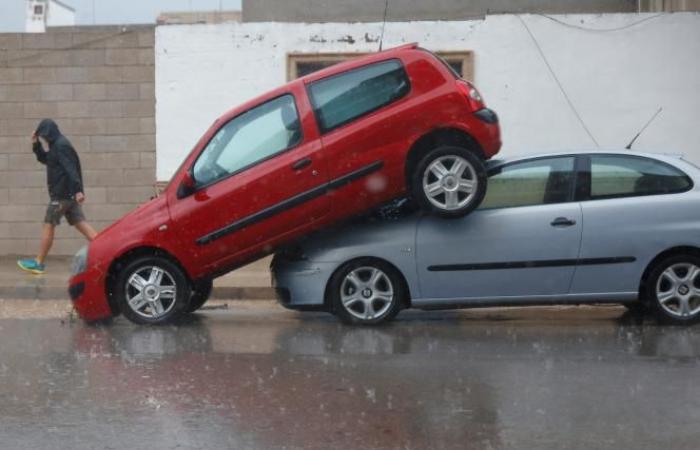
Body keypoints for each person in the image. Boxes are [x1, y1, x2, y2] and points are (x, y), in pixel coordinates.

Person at [17, 119, 97, 275]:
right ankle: (109, 252)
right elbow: (45, 159)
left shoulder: (61, 146)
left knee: (48, 224)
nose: (45, 139)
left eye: (45, 137)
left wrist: (78, 190)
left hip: (61, 196)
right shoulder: (56, 145)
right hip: (68, 196)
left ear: (50, 133)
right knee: (82, 225)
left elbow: (71, 169)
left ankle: (38, 262)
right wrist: (36, 144)